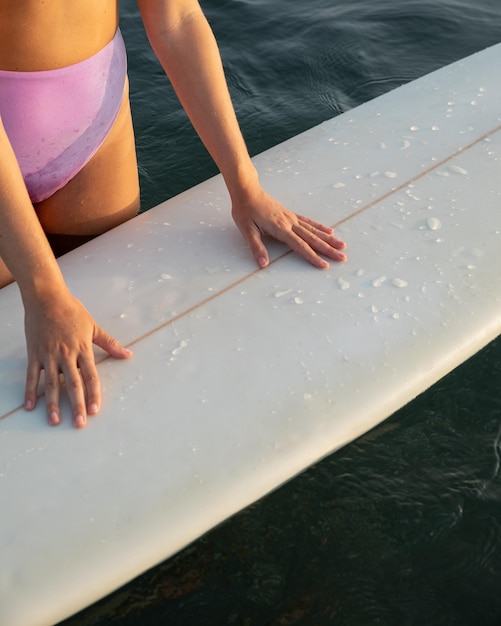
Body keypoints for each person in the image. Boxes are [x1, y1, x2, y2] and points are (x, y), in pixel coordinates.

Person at [0, 0, 347, 429]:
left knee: (117, 312)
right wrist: (44, 293)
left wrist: (243, 183)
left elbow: (177, 18)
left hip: (92, 127)